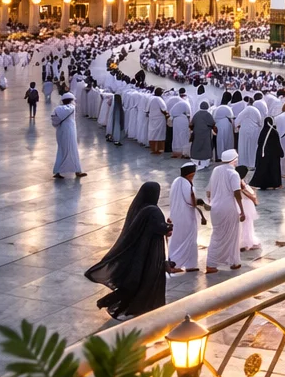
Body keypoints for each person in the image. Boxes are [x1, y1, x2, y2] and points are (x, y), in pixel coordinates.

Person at [85, 182, 170, 319]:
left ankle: (113, 304)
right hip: (149, 253)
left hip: (138, 252)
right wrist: (168, 227)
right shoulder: (153, 210)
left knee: (136, 282)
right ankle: (119, 304)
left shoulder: (139, 207)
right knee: (146, 281)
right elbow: (159, 228)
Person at [205, 154, 245, 273]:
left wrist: (211, 201)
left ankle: (234, 261)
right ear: (233, 160)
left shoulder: (216, 170)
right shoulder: (233, 174)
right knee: (224, 236)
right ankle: (211, 263)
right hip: (228, 208)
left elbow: (209, 190)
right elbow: (237, 193)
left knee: (227, 235)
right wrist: (242, 210)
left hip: (215, 208)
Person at [167, 163, 203, 273]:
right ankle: (175, 264)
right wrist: (199, 201)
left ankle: (190, 265)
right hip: (186, 217)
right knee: (186, 240)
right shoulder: (187, 185)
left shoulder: (176, 181)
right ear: (191, 174)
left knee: (178, 239)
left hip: (176, 215)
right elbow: (191, 202)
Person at [51, 91, 85, 179]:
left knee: (61, 150)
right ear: (70, 100)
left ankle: (58, 171)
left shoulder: (57, 109)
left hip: (61, 131)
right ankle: (77, 171)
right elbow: (73, 106)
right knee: (73, 150)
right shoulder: (72, 107)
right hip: (70, 131)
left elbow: (54, 120)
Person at [252, 109, 285, 189]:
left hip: (263, 155)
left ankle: (263, 184)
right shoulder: (274, 132)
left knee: (263, 169)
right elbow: (277, 143)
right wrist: (281, 153)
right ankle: (274, 184)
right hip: (273, 156)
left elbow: (259, 143)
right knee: (273, 170)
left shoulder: (263, 131)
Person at [236, 162, 260, 253]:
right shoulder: (241, 183)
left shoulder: (237, 182)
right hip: (246, 205)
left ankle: (241, 242)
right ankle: (245, 242)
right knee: (247, 224)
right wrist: (254, 199)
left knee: (242, 225)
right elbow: (249, 194)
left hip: (241, 204)